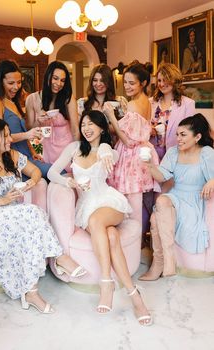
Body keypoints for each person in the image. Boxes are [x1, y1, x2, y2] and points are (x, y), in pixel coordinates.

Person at [47, 110, 152, 326]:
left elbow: (109, 153)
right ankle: (135, 296)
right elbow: (52, 173)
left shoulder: (107, 149)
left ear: (102, 128)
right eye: (84, 123)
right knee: (111, 236)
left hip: (109, 203)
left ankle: (106, 282)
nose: (86, 128)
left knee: (97, 222)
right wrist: (70, 183)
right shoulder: (74, 148)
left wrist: (105, 150)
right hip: (87, 205)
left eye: (91, 124)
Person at [0, 118, 87, 312]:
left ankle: (31, 292)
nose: (9, 138)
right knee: (32, 213)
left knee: (29, 226)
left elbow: (35, 171)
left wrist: (31, 182)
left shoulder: (12, 156)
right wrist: (2, 201)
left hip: (13, 214)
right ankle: (59, 257)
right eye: (4, 135)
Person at [139, 114, 214, 281]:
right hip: (176, 196)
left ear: (198, 137)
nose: (178, 139)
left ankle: (159, 263)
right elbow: (161, 177)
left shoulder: (206, 153)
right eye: (177, 134)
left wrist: (212, 181)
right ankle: (168, 259)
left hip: (195, 200)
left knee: (155, 218)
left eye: (183, 135)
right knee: (162, 200)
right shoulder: (173, 152)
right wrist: (149, 165)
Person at [103, 61, 160, 239]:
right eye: (125, 82)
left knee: (131, 203)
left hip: (131, 156)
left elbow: (127, 141)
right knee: (138, 201)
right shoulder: (146, 102)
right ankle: (138, 240)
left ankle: (132, 243)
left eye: (131, 83)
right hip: (142, 152)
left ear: (142, 83)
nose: (127, 86)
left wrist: (111, 116)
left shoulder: (135, 104)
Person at [0, 60, 51, 180]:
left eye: (19, 82)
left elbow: (23, 131)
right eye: (11, 83)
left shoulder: (13, 102)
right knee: (54, 174)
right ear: (0, 81)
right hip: (12, 159)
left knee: (56, 172)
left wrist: (33, 152)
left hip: (27, 157)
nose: (16, 87)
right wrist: (27, 135)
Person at [25, 61, 79, 165]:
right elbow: (29, 129)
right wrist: (38, 121)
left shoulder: (68, 99)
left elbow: (75, 130)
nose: (59, 84)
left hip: (66, 149)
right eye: (55, 78)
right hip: (44, 149)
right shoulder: (32, 99)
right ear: (47, 77)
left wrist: (76, 153)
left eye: (62, 80)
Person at [150, 63, 195, 161]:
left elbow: (190, 134)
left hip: (176, 157)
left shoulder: (188, 104)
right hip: (152, 156)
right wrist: (149, 129)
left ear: (174, 80)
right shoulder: (150, 102)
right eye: (159, 80)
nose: (161, 84)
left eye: (165, 80)